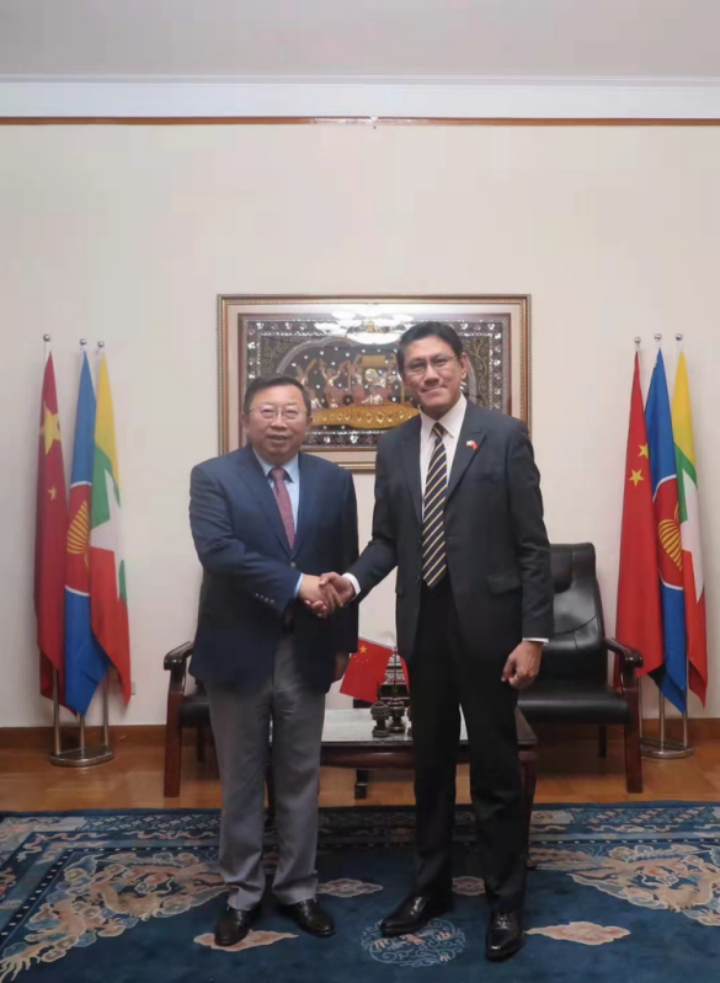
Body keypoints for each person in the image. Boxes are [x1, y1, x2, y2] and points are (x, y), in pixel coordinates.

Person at [316, 323, 553, 961]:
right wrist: (350, 583)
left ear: (462, 365)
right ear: (403, 377)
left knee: (497, 771)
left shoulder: (504, 435)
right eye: (416, 365)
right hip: (423, 625)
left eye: (439, 361)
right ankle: (430, 887)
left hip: (492, 631)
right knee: (430, 767)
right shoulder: (394, 445)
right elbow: (387, 540)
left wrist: (533, 636)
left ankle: (505, 899)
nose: (429, 374)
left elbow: (533, 546)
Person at [189, 375, 358, 946]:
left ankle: (298, 888)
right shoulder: (213, 477)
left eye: (291, 411)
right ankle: (242, 893)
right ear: (246, 419)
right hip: (237, 648)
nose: (279, 422)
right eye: (267, 411)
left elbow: (344, 564)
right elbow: (218, 553)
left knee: (300, 777)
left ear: (309, 420)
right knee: (239, 778)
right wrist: (295, 582)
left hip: (306, 649)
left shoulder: (334, 481)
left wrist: (343, 642)